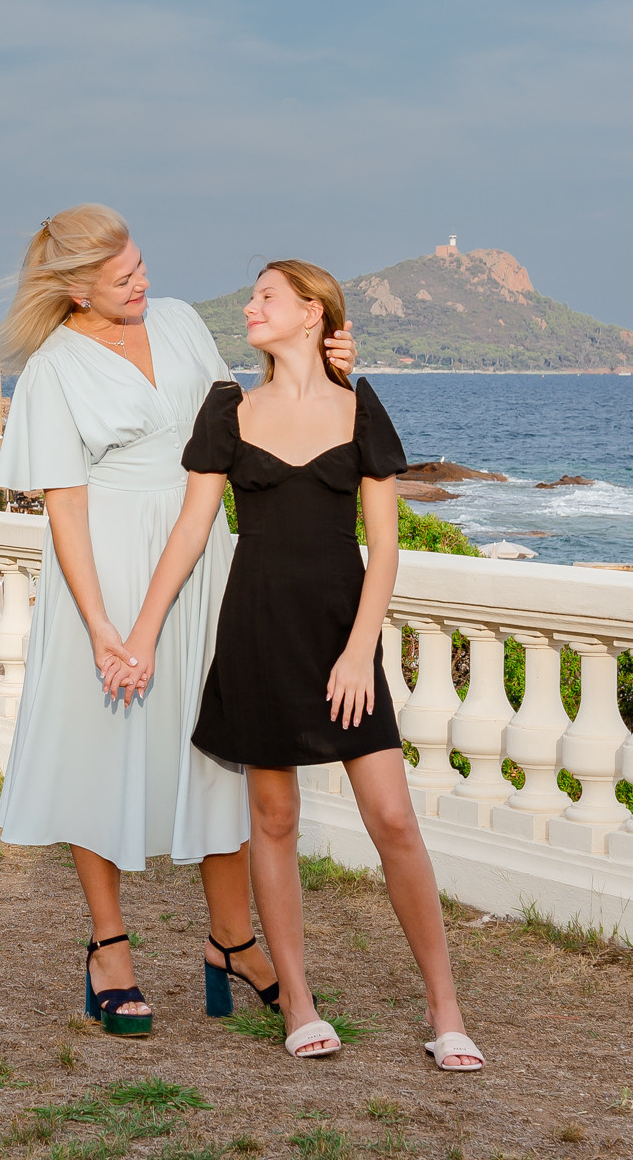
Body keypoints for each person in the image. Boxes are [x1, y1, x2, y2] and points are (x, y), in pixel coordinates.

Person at [0, 206, 352, 1038]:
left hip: (205, 560)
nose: (143, 282)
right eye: (123, 277)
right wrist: (100, 625)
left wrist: (330, 366)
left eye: (141, 263)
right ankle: (109, 949)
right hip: (107, 573)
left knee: (220, 745)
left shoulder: (183, 323)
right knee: (99, 750)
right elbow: (65, 510)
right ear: (76, 289)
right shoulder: (53, 369)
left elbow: (254, 418)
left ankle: (233, 940)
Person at [126, 259, 483, 1071]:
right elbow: (190, 533)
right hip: (257, 633)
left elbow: (384, 546)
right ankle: (297, 998)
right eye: (253, 297)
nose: (250, 307)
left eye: (266, 297)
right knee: (275, 819)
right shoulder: (229, 409)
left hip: (339, 636)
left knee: (392, 817)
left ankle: (445, 1008)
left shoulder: (361, 408)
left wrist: (359, 650)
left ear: (313, 313)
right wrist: (142, 632)